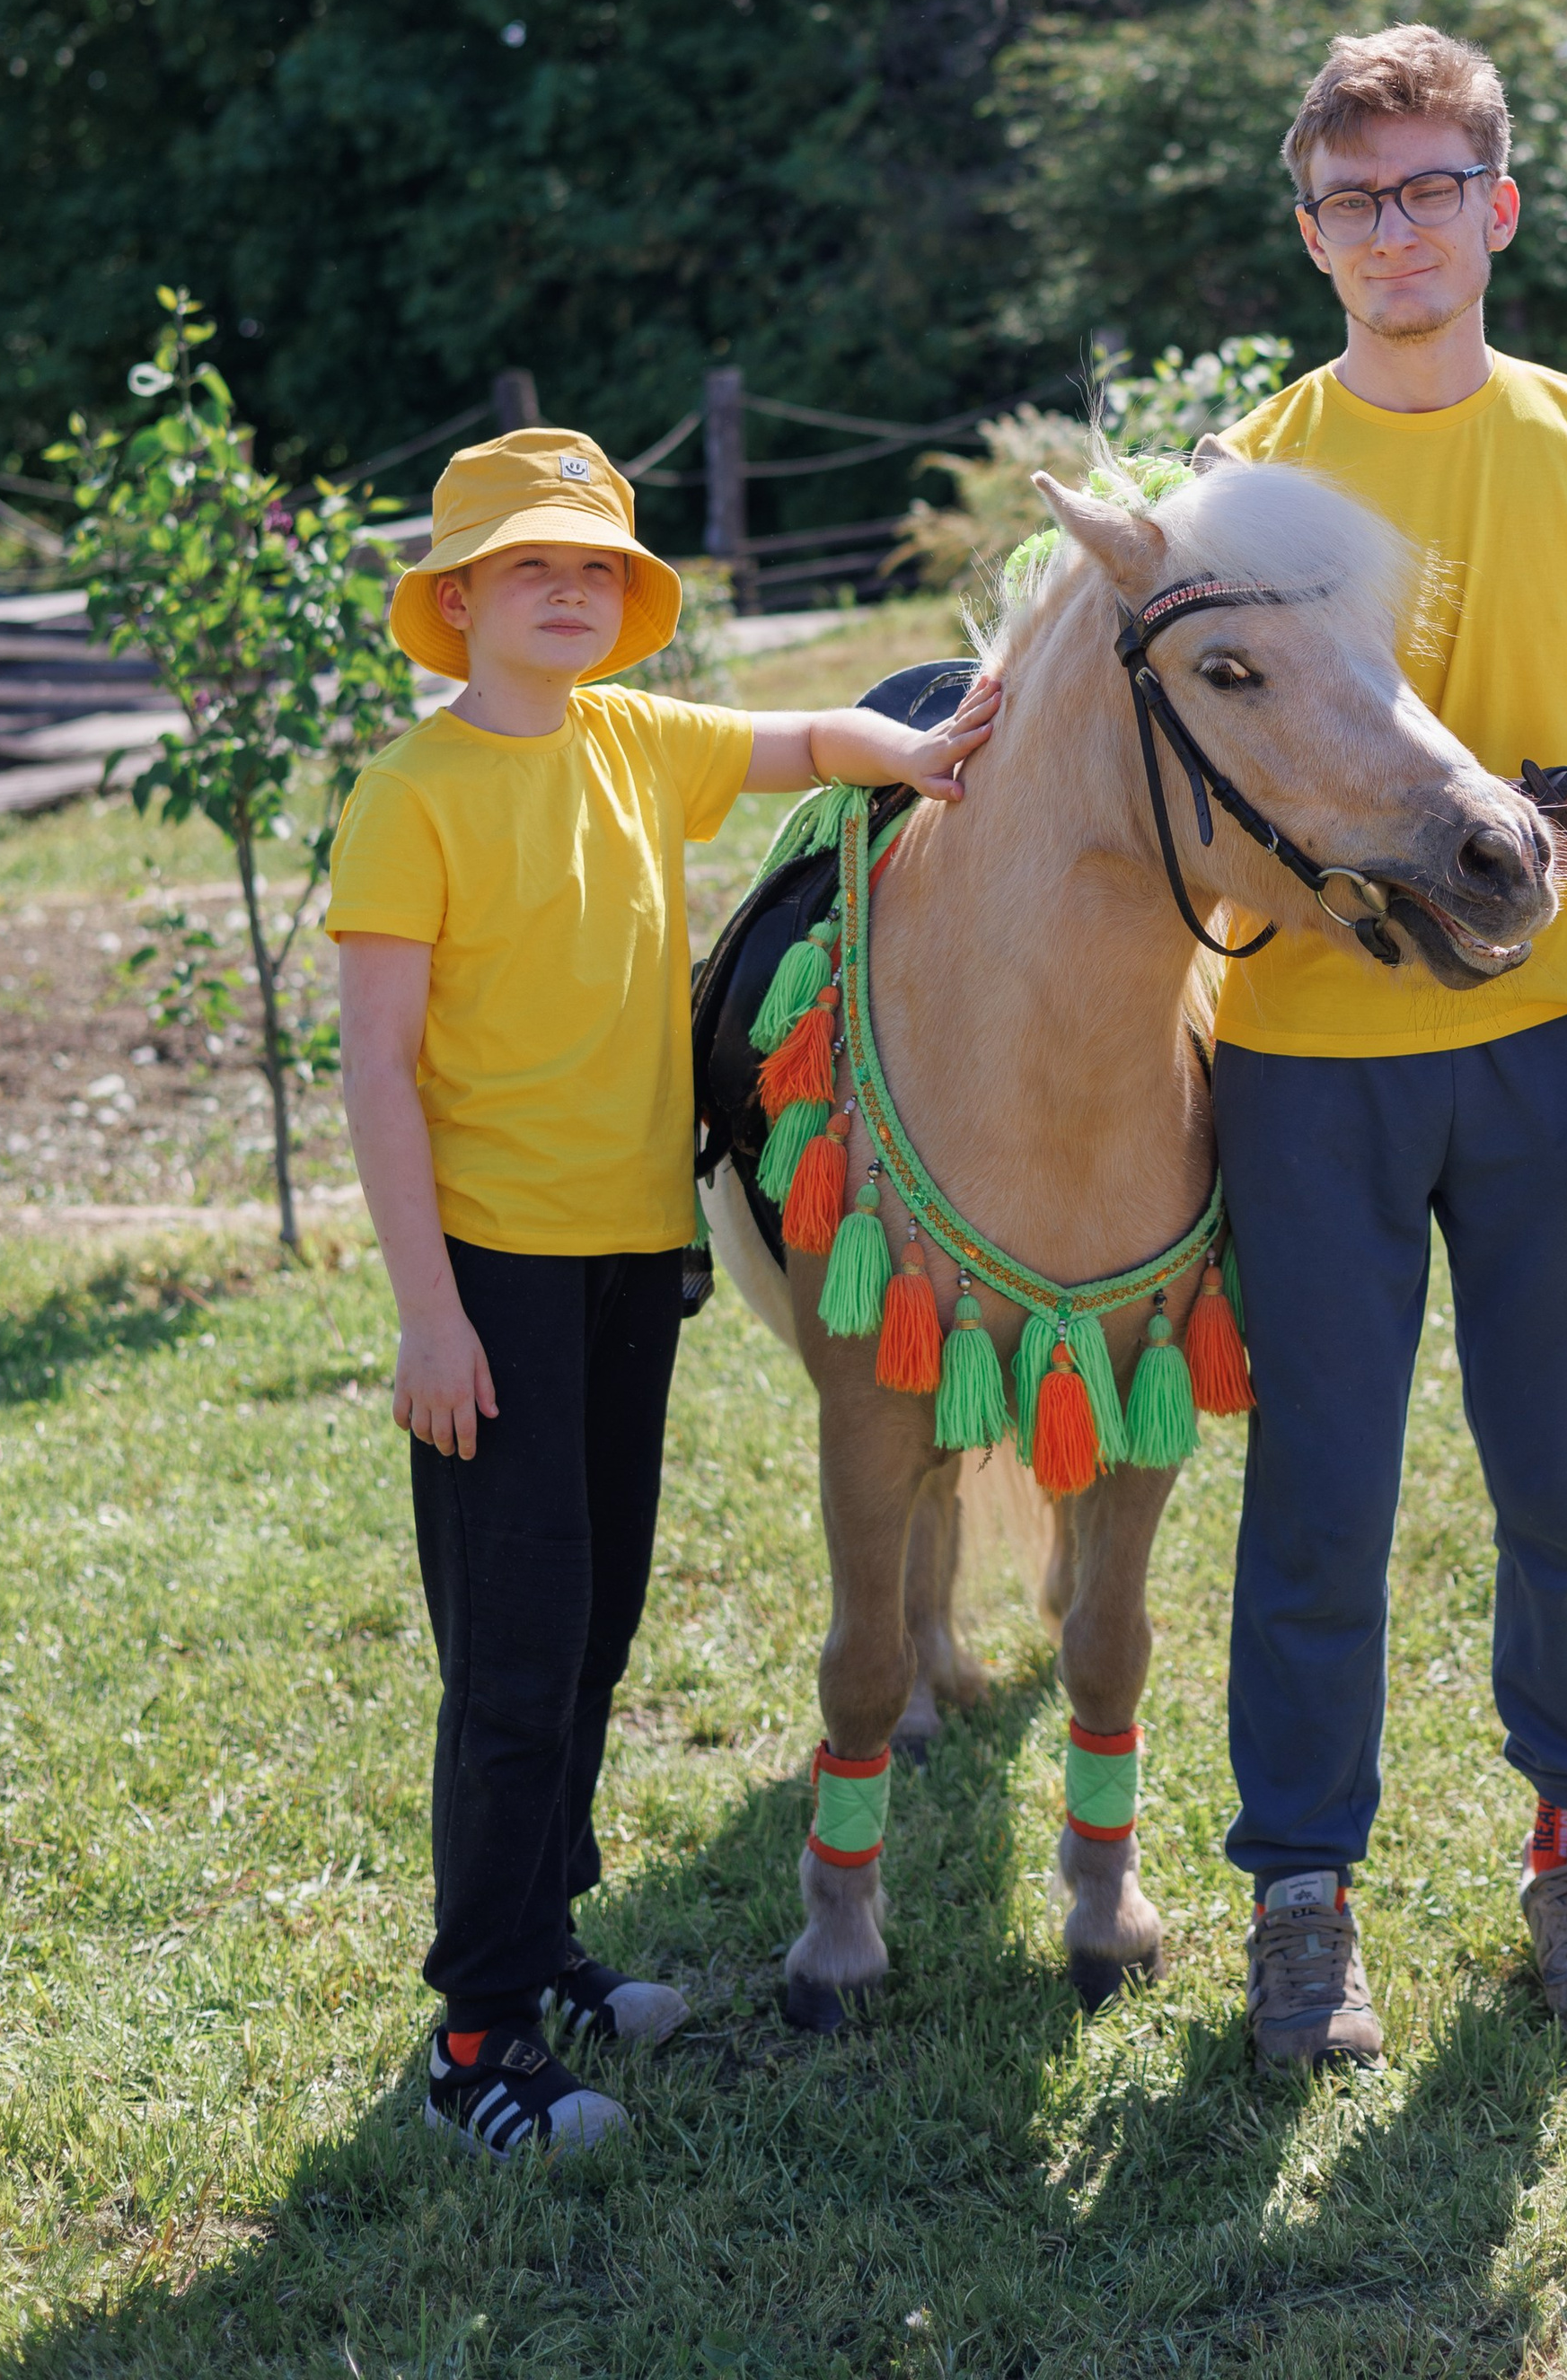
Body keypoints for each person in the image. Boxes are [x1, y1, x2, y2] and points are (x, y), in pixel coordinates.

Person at [329, 426, 996, 2157]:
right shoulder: (408, 796)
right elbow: (381, 1077)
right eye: (528, 567)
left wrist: (933, 752)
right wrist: (427, 1314)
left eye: (595, 569)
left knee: (599, 1628)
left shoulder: (635, 740)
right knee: (515, 1652)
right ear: (457, 599)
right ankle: (475, 2040)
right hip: (493, 1282)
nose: (566, 591)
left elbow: (809, 738)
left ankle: (547, 1943)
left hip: (638, 1262)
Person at [1211, 23, 1567, 2063]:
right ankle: (1301, 1893)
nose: (1394, 229)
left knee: (1564, 1494)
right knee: (1319, 1497)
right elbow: (1221, 831)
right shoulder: (1249, 478)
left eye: (1430, 188)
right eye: (1354, 198)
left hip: (1549, 1059)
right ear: (1312, 234)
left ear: (1493, 210)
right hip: (1305, 1063)